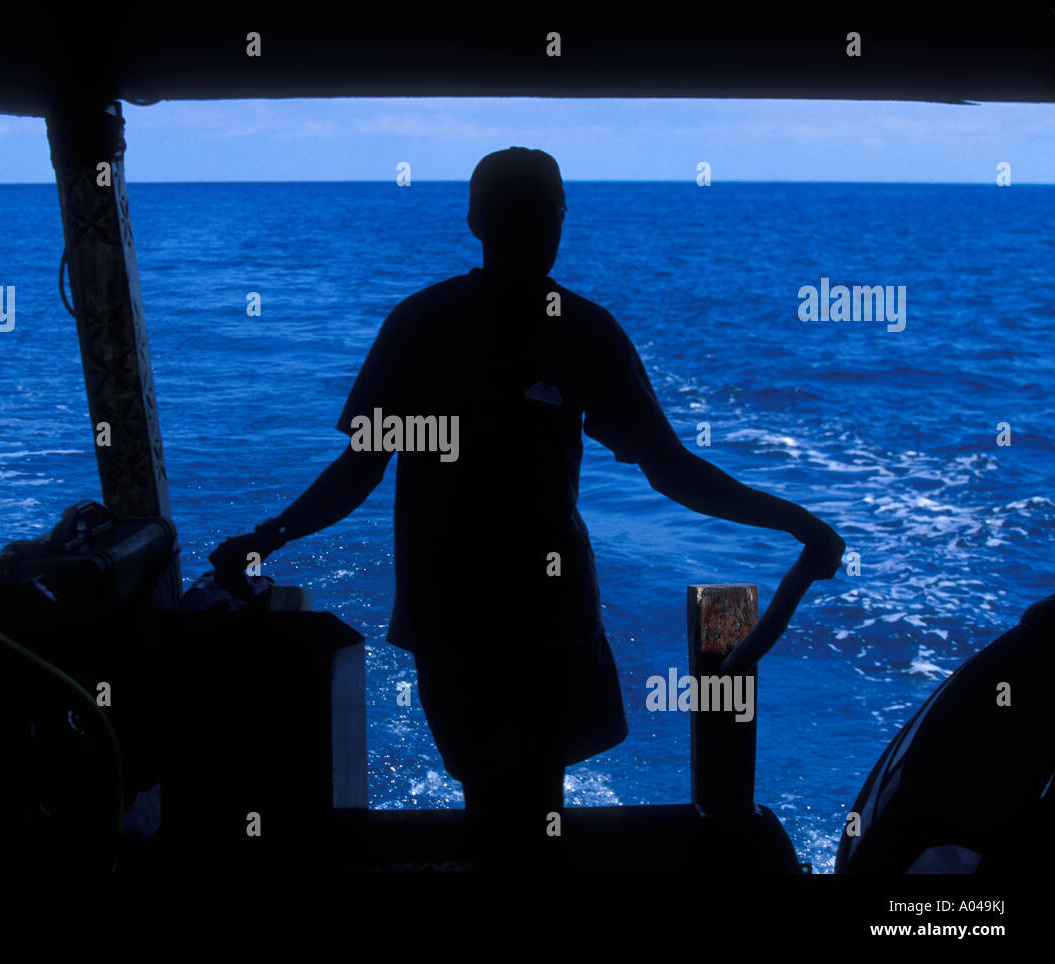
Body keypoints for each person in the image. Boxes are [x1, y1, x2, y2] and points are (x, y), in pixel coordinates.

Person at [209, 147, 844, 872]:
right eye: (527, 212)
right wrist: (798, 522)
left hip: (499, 614)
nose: (539, 228)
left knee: (507, 801)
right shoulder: (546, 327)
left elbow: (359, 470)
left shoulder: (458, 324)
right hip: (495, 615)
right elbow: (672, 471)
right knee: (520, 801)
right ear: (479, 220)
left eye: (546, 213)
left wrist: (268, 537)